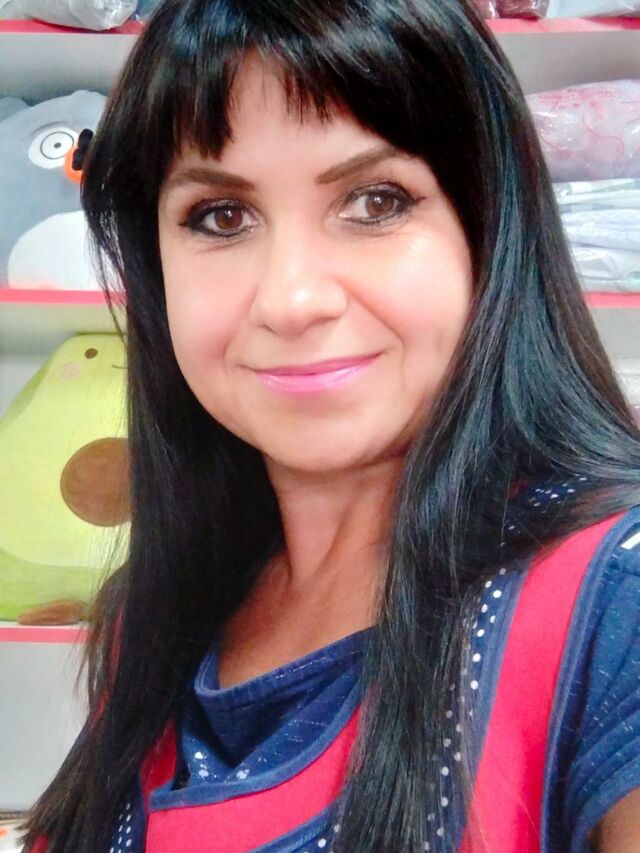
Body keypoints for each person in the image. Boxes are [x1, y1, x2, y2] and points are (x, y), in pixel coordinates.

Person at [20, 0, 640, 851]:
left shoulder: (613, 599)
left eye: (375, 201)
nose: (292, 299)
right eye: (221, 216)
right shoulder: (154, 612)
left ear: (490, 227)